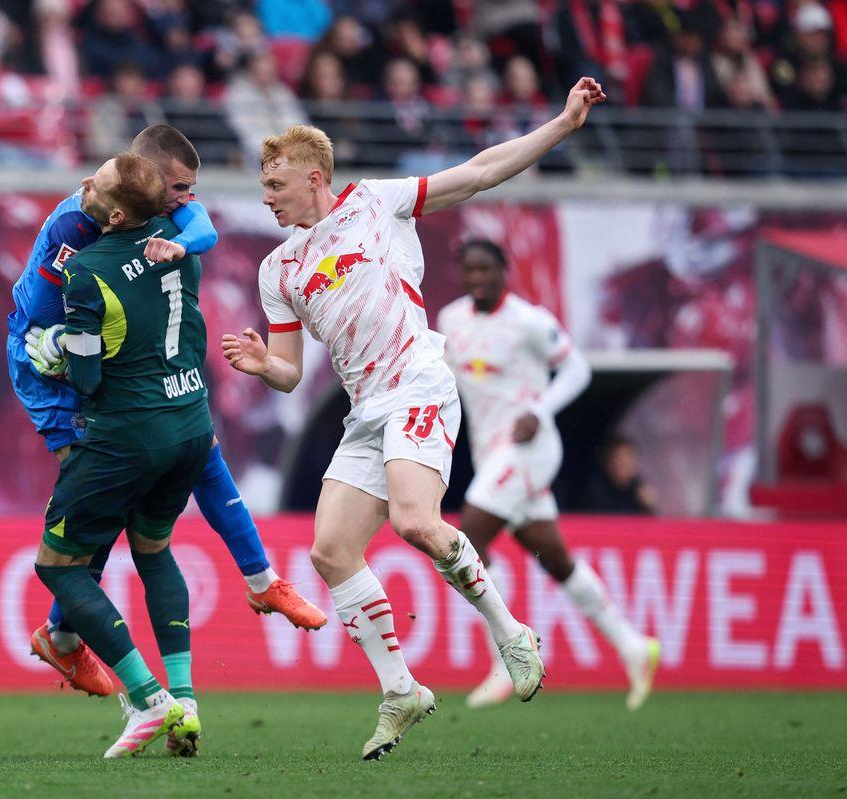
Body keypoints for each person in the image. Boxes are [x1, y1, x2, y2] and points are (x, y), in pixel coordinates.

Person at [222, 76, 608, 759]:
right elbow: (288, 371)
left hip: (419, 383)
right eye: (263, 183)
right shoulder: (276, 269)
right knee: (330, 550)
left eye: (275, 183)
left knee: (415, 521)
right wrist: (264, 365)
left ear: (315, 178)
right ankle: (400, 689)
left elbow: (480, 171)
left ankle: (511, 631)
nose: (266, 195)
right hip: (364, 409)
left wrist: (562, 124)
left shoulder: (378, 201)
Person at [8, 124, 324, 699]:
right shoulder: (73, 231)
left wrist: (182, 243)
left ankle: (259, 580)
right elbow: (42, 314)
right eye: (179, 188)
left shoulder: (158, 208)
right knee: (98, 498)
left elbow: (201, 227)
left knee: (196, 447)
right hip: (48, 361)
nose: (187, 199)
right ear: (140, 187)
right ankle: (66, 635)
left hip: (104, 356)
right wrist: (60, 348)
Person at [31, 152, 207, 758]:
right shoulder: (180, 241)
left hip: (127, 436)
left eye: (97, 185)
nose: (86, 187)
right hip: (191, 424)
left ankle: (149, 698)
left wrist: (48, 350)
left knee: (58, 566)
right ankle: (185, 702)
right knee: (154, 551)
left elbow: (83, 378)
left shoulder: (86, 271)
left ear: (110, 210)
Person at [436, 240, 659, 711]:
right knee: (554, 557)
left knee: (468, 538)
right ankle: (633, 647)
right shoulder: (451, 320)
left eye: (486, 269)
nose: (477, 277)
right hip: (491, 455)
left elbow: (577, 368)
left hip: (531, 450)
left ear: (504, 271)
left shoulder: (529, 321)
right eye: (469, 269)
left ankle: (508, 654)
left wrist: (540, 408)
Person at [585, 435, 657, 514]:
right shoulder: (597, 493)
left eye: (628, 458)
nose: (623, 462)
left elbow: (649, 523)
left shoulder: (639, 488)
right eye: (618, 459)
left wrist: (648, 507)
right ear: (608, 463)